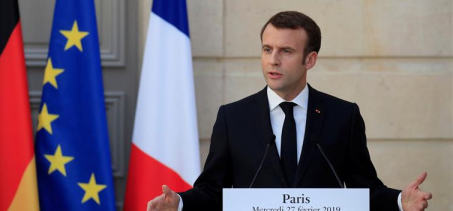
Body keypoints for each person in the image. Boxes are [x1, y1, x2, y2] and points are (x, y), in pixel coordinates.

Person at [146, 11, 433, 211]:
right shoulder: (233, 118)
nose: (273, 60)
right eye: (267, 49)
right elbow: (212, 190)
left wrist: (399, 202)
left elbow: (364, 189)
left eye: (286, 51)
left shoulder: (343, 116)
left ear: (310, 59)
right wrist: (180, 204)